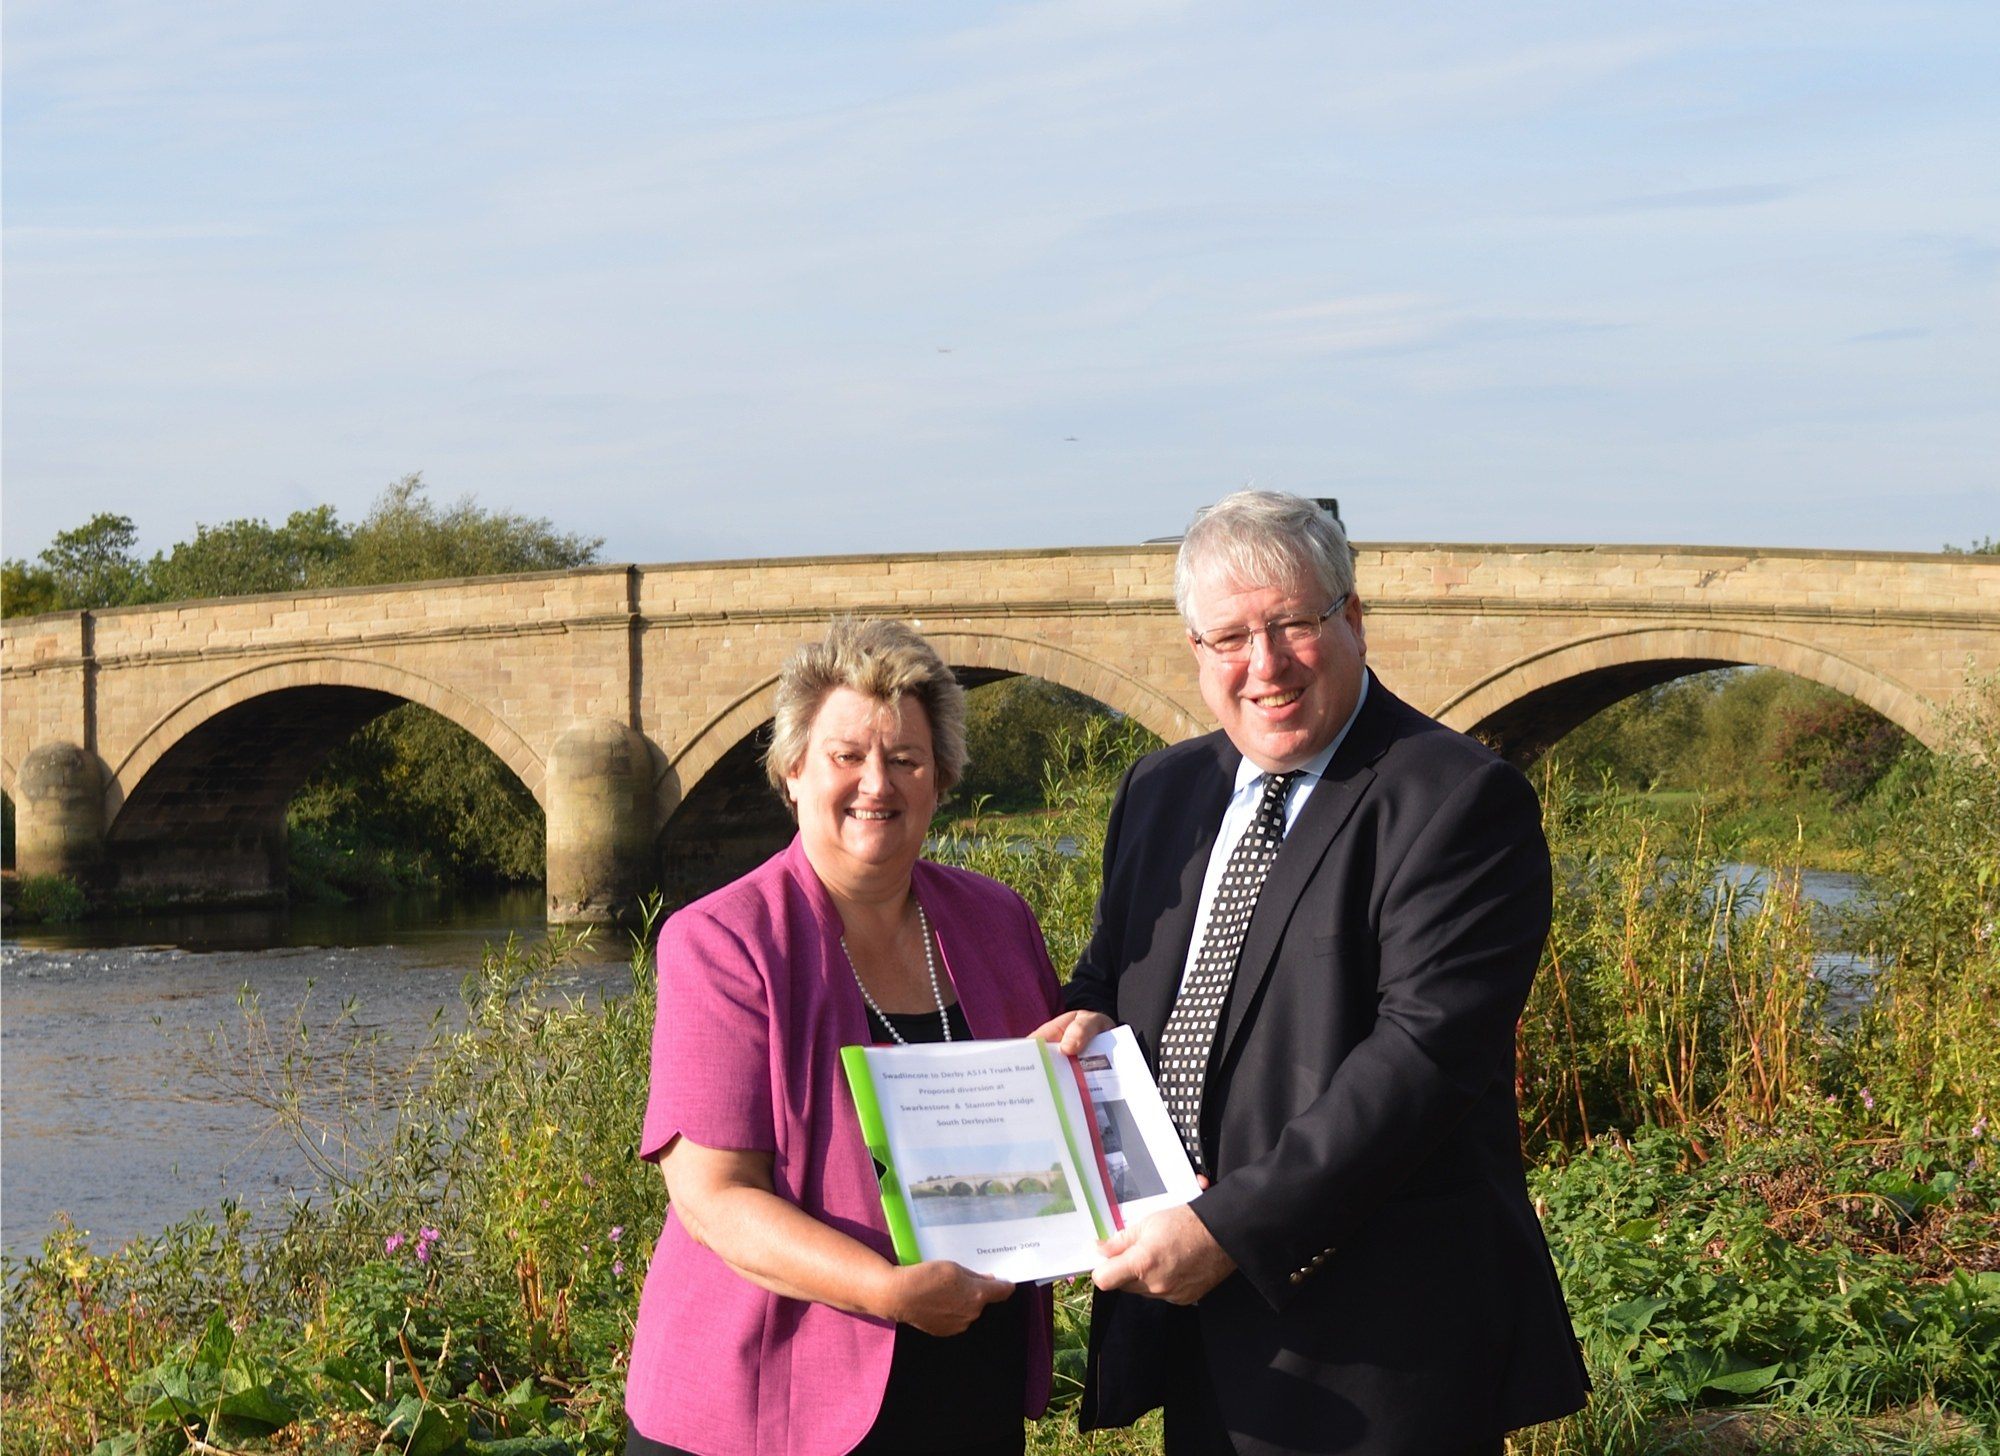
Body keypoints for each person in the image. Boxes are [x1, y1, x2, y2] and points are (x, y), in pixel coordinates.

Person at [1036, 492, 1589, 1456]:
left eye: (1293, 623)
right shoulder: (1159, 792)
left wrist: (1228, 1231)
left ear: (1353, 617)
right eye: (1230, 639)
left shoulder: (1456, 799)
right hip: (1198, 1334)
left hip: (1378, 1351)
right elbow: (1108, 982)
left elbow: (1422, 1063)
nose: (1266, 665)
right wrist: (1080, 1023)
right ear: (1195, 650)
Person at [624, 618, 1063, 1456]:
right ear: (792, 771)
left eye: (905, 759)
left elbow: (1046, 1123)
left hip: (966, 1381)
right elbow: (715, 1200)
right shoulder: (723, 940)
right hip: (766, 1401)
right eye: (846, 755)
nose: (877, 782)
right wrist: (891, 1291)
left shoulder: (997, 920)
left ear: (941, 781)